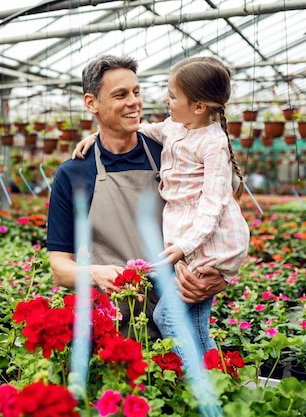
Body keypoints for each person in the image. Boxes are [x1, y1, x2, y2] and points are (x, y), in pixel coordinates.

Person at [72, 56, 250, 355]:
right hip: (185, 246)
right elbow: (140, 129)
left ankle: (205, 381)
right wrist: (95, 135)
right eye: (121, 94)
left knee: (171, 319)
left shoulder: (212, 143)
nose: (164, 99)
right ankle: (210, 379)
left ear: (198, 106)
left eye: (173, 95)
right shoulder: (173, 129)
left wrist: (186, 248)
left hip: (203, 246)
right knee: (186, 323)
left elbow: (214, 205)